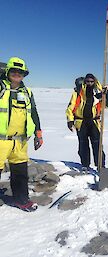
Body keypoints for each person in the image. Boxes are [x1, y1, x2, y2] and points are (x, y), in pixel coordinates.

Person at [0, 57, 43, 212]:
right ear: (7, 72)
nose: (17, 74)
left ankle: (22, 200)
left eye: (21, 72)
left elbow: (34, 113)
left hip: (20, 141)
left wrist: (38, 132)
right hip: (1, 140)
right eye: (14, 71)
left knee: (20, 173)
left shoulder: (27, 92)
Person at [66, 74, 108, 172]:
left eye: (91, 81)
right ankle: (85, 164)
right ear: (84, 81)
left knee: (97, 144)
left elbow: (107, 105)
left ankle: (100, 165)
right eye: (88, 81)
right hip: (81, 122)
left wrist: (106, 94)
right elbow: (71, 106)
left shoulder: (99, 92)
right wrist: (70, 120)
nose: (90, 83)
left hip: (94, 122)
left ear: (94, 82)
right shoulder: (78, 92)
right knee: (83, 144)